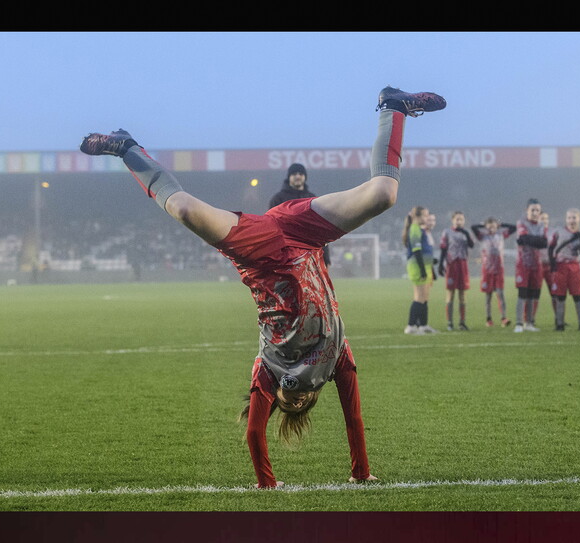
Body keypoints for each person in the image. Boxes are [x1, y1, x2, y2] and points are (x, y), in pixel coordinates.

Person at [79, 85, 446, 489]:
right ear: (311, 399)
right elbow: (354, 417)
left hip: (259, 253)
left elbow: (254, 433)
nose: (298, 397)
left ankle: (126, 147)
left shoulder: (268, 369)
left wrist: (266, 483)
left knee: (182, 208)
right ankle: (394, 106)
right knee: (384, 194)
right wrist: (361, 473)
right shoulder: (334, 358)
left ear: (278, 404)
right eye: (304, 401)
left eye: (289, 402)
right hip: (306, 236)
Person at [269, 163, 331, 266]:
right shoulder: (278, 199)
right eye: (294, 174)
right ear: (289, 177)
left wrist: (326, 257)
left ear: (305, 177)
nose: (298, 176)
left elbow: (320, 230)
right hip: (286, 255)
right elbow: (271, 228)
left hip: (310, 254)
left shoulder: (312, 198)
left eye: (301, 174)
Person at [471, 217, 516, 327]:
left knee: (500, 294)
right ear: (486, 227)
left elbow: (514, 228)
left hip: (499, 270)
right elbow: (473, 227)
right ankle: (488, 319)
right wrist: (483, 224)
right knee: (488, 296)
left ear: (497, 226)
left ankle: (504, 318)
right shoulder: (483, 237)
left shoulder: (501, 236)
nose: (491, 228)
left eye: (494, 226)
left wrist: (501, 224)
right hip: (487, 270)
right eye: (489, 226)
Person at [548, 208, 580, 331]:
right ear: (566, 219)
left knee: (577, 296)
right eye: (569, 218)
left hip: (574, 267)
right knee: (560, 297)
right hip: (560, 267)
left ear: (579, 219)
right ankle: (560, 324)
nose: (571, 220)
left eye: (574, 218)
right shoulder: (559, 232)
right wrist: (552, 264)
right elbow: (551, 248)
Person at [513, 198, 548, 333]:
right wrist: (534, 240)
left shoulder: (541, 226)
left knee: (533, 294)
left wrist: (528, 240)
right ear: (526, 211)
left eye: (537, 210)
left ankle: (529, 323)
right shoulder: (521, 223)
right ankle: (519, 323)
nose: (535, 212)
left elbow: (543, 243)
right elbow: (523, 239)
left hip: (536, 264)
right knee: (522, 293)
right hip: (523, 264)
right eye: (532, 210)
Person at [403, 206, 438, 334]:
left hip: (425, 266)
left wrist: (431, 263)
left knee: (424, 297)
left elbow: (423, 251)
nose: (426, 218)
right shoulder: (415, 229)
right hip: (418, 267)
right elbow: (416, 251)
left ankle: (423, 325)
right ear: (417, 217)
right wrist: (422, 270)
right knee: (419, 297)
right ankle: (411, 326)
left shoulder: (420, 230)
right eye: (424, 215)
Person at [438, 211, 474, 330]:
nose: (459, 222)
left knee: (462, 295)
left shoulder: (466, 232)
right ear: (452, 220)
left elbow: (472, 245)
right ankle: (449, 323)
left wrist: (467, 234)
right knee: (450, 294)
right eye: (457, 219)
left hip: (462, 265)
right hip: (451, 265)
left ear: (464, 221)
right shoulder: (447, 232)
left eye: (461, 220)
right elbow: (443, 249)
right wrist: (440, 264)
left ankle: (462, 323)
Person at [539, 212, 557, 326]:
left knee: (555, 293)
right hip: (538, 265)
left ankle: (558, 318)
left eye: (546, 218)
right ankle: (529, 320)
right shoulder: (534, 232)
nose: (545, 220)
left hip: (550, 266)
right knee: (533, 294)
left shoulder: (553, 233)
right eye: (542, 218)